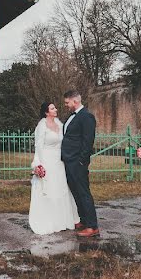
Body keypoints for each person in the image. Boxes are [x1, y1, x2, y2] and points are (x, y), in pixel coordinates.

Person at [28, 101, 80, 235]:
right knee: (49, 188)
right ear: (46, 112)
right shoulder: (42, 125)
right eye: (52, 108)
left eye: (55, 107)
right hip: (47, 160)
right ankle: (49, 220)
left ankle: (63, 220)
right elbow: (38, 146)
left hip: (59, 161)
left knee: (61, 187)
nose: (55, 109)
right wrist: (38, 164)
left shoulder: (59, 123)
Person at [61, 90, 99, 237]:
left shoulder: (87, 117)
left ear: (74, 101)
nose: (65, 105)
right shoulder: (70, 117)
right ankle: (84, 220)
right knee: (76, 192)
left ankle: (92, 226)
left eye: (67, 102)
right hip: (69, 161)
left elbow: (88, 141)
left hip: (78, 162)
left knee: (84, 193)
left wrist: (82, 161)